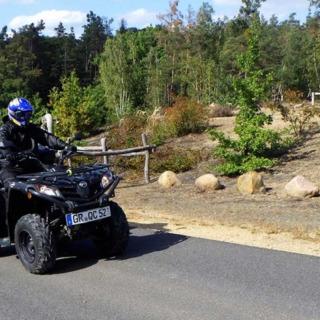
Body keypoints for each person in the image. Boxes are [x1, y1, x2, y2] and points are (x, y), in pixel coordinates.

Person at [0, 97, 76, 189]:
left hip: (33, 164)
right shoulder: (5, 129)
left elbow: (47, 137)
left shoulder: (31, 128)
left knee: (61, 175)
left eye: (28, 115)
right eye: (22, 115)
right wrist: (8, 153)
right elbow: (2, 141)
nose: (25, 118)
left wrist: (65, 145)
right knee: (12, 186)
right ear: (13, 114)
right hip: (12, 167)